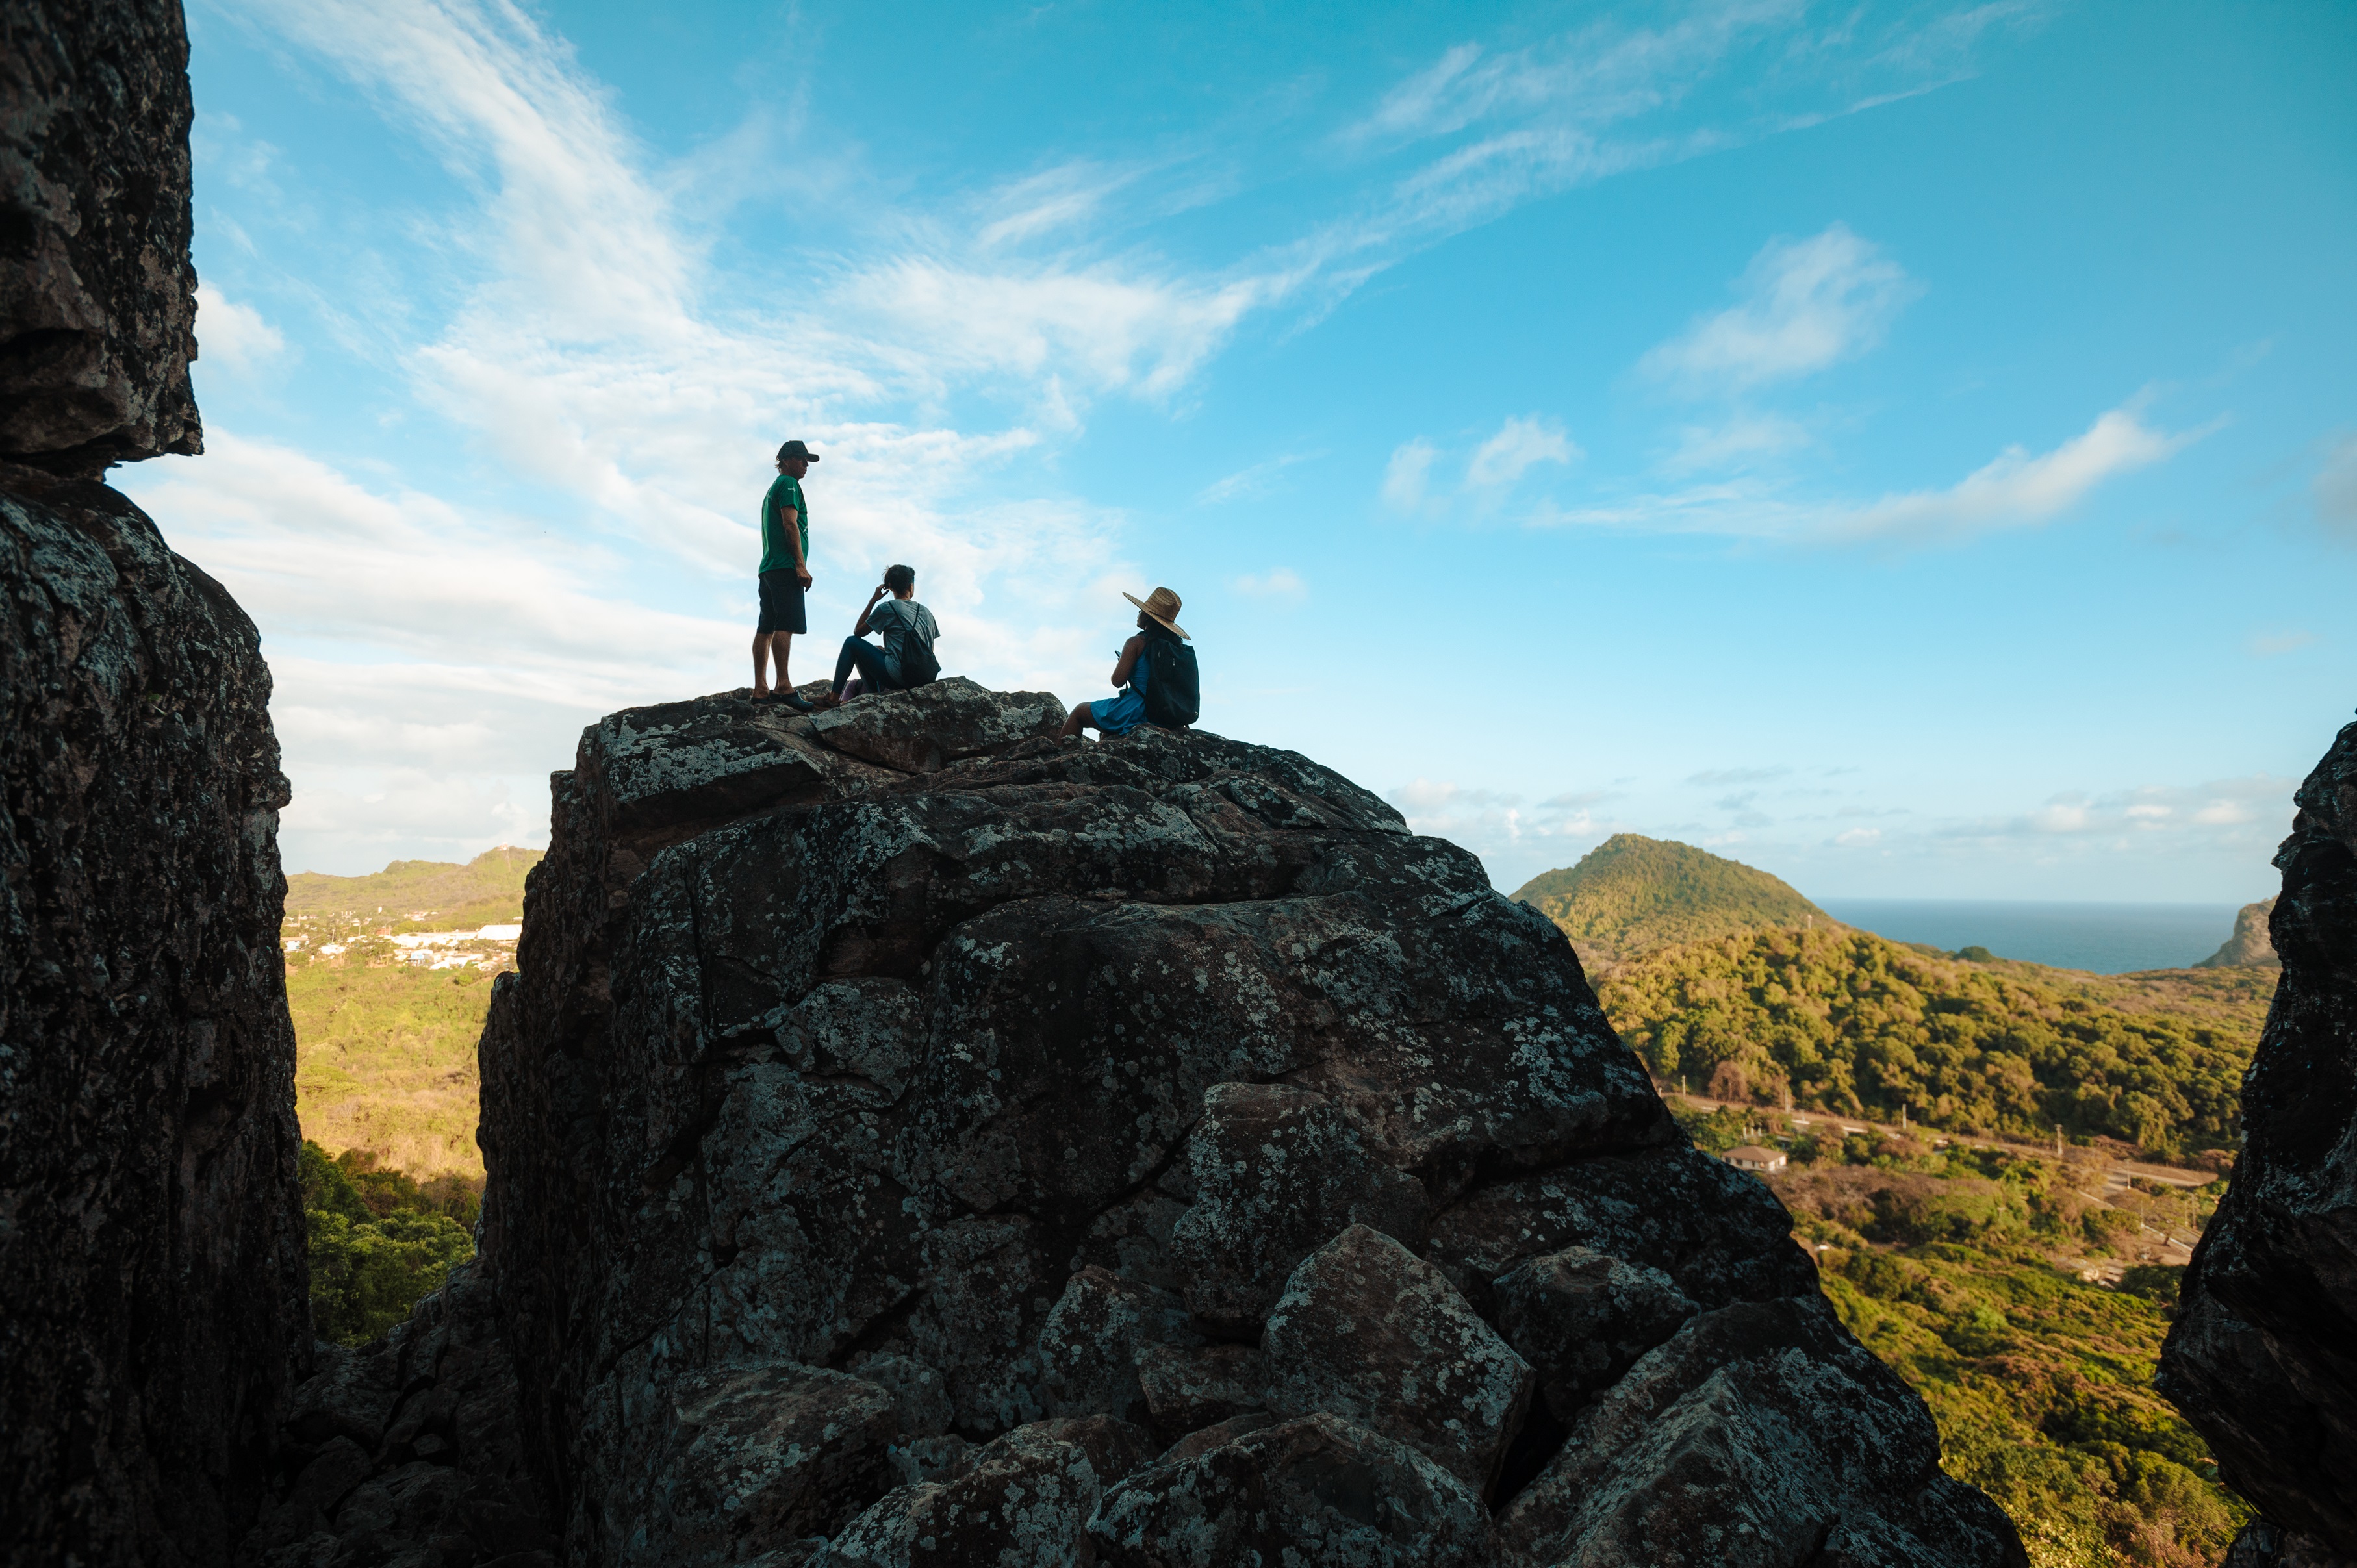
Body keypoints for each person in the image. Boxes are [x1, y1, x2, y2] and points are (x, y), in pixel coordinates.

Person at [1059, 585, 1193, 739]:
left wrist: (1123, 664)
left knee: (1078, 712)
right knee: (1105, 734)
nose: (1139, 612)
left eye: (1142, 610)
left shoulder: (1136, 642)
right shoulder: (1177, 650)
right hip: (1166, 716)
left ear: (1148, 617)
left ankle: (1058, 759)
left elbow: (1117, 681)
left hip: (1136, 710)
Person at [752, 439, 819, 711]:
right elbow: (790, 524)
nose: (806, 465)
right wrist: (800, 565)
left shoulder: (772, 489)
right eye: (802, 460)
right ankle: (783, 686)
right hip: (784, 567)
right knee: (785, 625)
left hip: (768, 568)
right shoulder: (790, 485)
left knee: (765, 626)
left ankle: (760, 689)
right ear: (788, 459)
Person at [819, 563, 941, 704]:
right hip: (925, 676)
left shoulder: (888, 608)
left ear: (890, 587)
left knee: (852, 643)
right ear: (910, 586)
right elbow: (928, 648)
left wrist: (873, 600)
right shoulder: (927, 613)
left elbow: (858, 632)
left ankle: (834, 697)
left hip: (900, 676)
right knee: (875, 650)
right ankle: (875, 698)